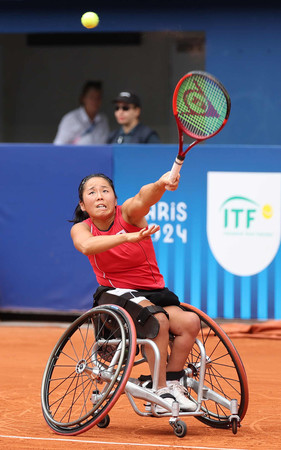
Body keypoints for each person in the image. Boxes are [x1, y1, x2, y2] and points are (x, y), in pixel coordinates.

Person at [70, 171, 200, 413]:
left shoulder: (128, 213)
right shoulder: (81, 228)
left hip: (153, 292)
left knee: (190, 322)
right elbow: (87, 246)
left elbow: (144, 198)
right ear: (83, 205)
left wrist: (161, 183)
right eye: (92, 192)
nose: (100, 196)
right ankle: (159, 392)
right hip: (114, 294)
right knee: (157, 319)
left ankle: (171, 382)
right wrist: (126, 238)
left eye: (105, 191)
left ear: (115, 198)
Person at [54, 81, 109, 145]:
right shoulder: (70, 119)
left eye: (98, 98)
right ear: (83, 98)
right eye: (91, 97)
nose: (95, 101)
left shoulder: (103, 120)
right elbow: (59, 145)